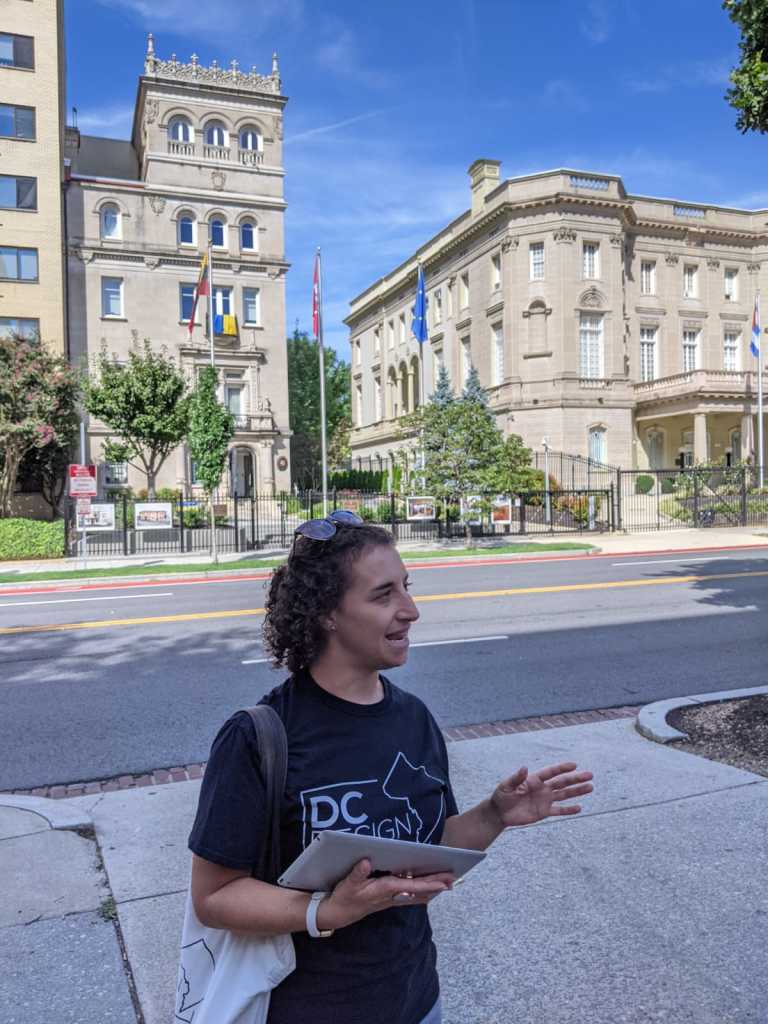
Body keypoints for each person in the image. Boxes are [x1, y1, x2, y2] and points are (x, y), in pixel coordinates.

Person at [188, 511, 593, 1024]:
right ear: (327, 613)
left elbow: (427, 845)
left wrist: (494, 814)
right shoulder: (258, 737)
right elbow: (215, 897)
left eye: (407, 587)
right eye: (384, 596)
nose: (411, 610)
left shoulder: (414, 718)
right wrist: (324, 911)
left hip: (416, 1000)